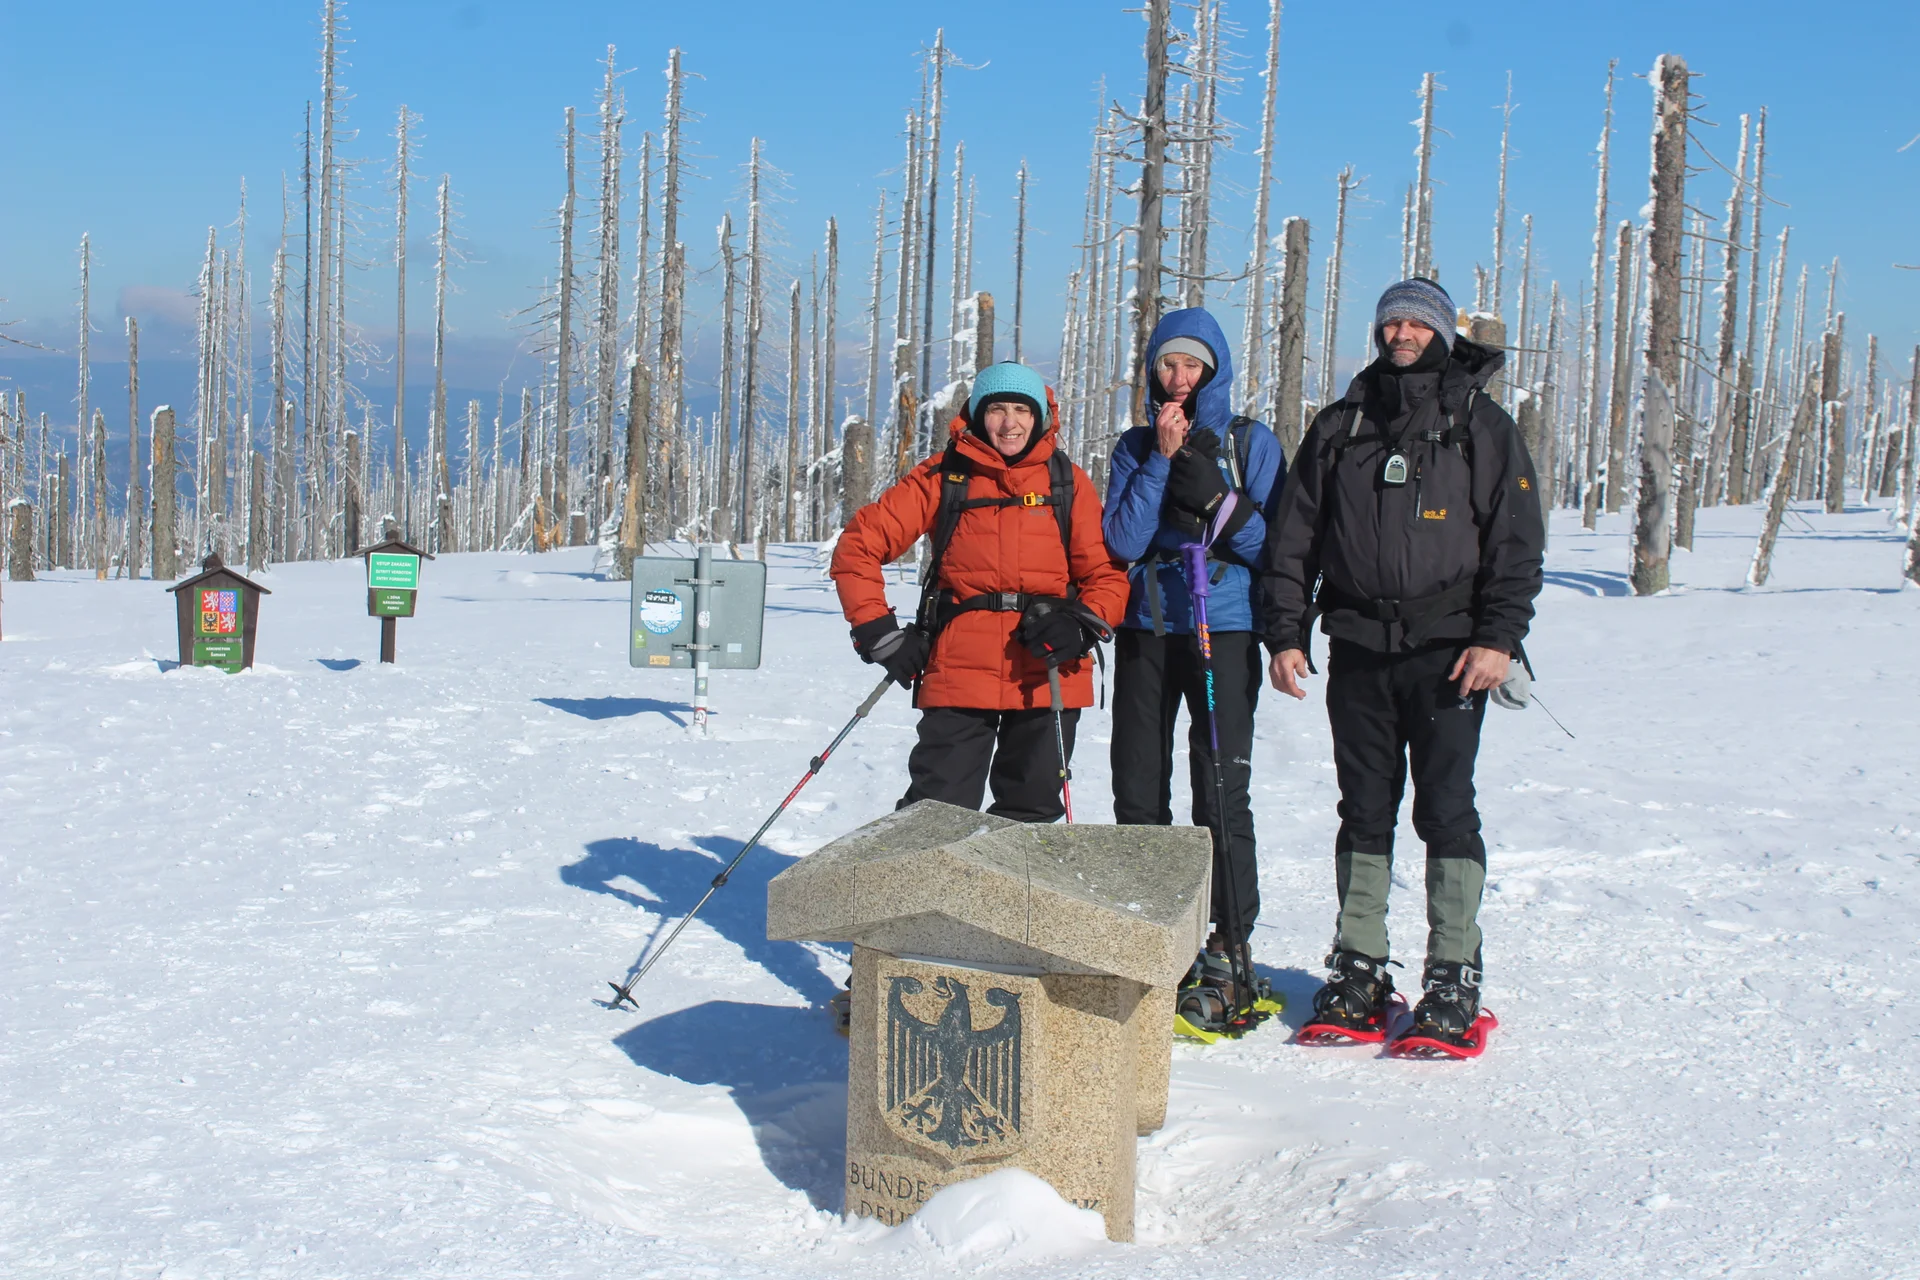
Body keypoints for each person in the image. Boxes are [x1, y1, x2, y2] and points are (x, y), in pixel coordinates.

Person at [1260, 277, 1543, 1050]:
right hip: (1357, 646)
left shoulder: (1481, 427)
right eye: (1392, 321)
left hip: (1452, 651)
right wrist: (1285, 635)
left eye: (1419, 322)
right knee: (1364, 807)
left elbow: (1517, 544)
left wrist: (1500, 636)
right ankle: (1359, 967)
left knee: (1445, 808)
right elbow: (1293, 542)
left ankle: (1453, 973)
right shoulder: (1341, 426)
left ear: (1443, 333)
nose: (1403, 333)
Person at [831, 361, 1128, 823]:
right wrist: (879, 633)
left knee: (1030, 812)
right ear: (976, 414)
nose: (1009, 423)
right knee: (935, 813)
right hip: (958, 667)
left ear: (1039, 418)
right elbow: (857, 548)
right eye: (997, 410)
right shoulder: (945, 476)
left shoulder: (1066, 482)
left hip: (1047, 668)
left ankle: (1013, 899)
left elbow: (1107, 576)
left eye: (1020, 410)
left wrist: (1082, 625)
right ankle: (916, 895)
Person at [1102, 308, 1285, 1030]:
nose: (1179, 378)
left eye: (1192, 365)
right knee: (1138, 787)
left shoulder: (1250, 442)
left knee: (1219, 786)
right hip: (1146, 626)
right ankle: (1147, 927)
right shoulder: (1135, 444)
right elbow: (1122, 537)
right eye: (1167, 365)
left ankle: (1229, 938)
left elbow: (1273, 542)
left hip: (1224, 626)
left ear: (1214, 369)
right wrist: (1160, 463)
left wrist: (1214, 494)